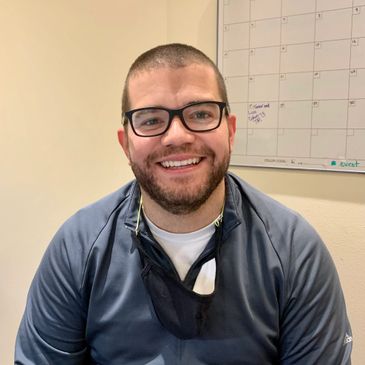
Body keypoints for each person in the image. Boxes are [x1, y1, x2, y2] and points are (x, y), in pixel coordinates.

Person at [15, 43, 352, 364]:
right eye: (150, 120)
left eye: (201, 113)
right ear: (126, 144)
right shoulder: (77, 248)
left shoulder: (294, 251)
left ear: (230, 131)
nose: (177, 135)